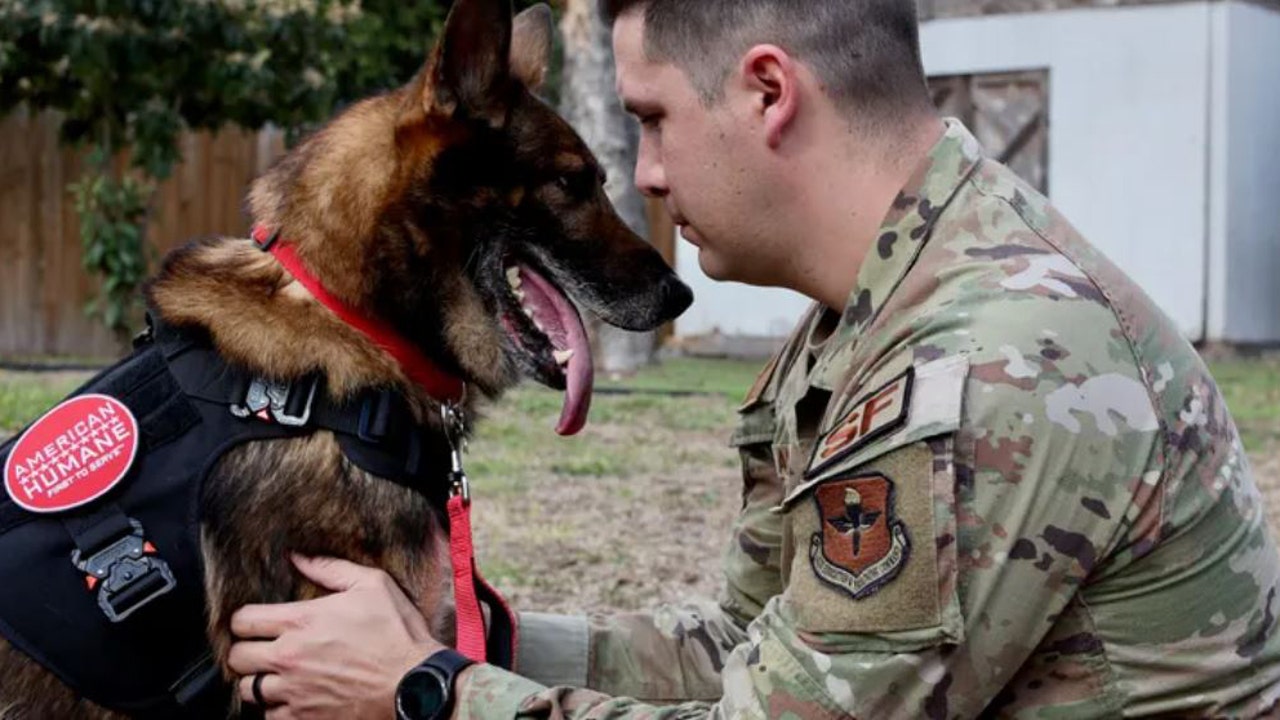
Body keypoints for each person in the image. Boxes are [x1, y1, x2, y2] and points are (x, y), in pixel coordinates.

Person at [227, 0, 1280, 717]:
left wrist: (424, 688)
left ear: (767, 93)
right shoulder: (874, 307)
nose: (639, 175)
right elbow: (740, 640)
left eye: (649, 121)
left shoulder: (988, 365)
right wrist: (472, 635)